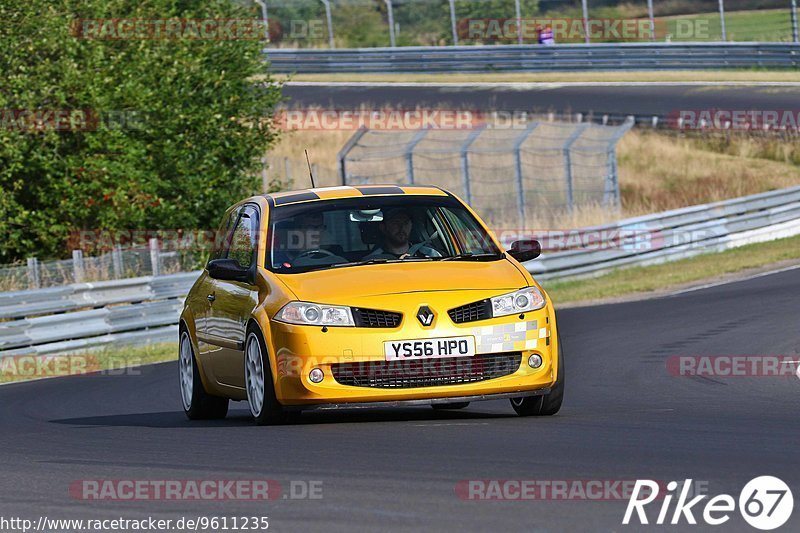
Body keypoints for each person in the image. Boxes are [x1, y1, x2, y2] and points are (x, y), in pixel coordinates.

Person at [365, 208, 441, 259]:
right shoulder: (372, 260)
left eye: (406, 222)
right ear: (383, 227)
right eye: (396, 223)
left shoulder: (430, 255)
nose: (402, 227)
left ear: (411, 225)